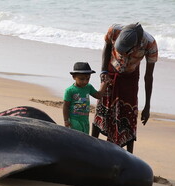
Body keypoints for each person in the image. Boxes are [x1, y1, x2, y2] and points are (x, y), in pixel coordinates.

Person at [92, 23, 158, 153]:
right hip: (111, 71)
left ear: (136, 45)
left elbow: (148, 76)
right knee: (102, 108)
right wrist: (103, 71)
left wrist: (147, 106)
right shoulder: (114, 30)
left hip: (130, 77)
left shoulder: (150, 44)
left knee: (128, 113)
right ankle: (92, 146)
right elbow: (107, 46)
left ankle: (128, 155)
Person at [63, 62, 106, 134]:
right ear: (74, 77)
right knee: (76, 139)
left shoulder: (88, 87)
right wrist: (66, 121)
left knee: (85, 140)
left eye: (88, 78)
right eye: (82, 79)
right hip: (74, 120)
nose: (85, 81)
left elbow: (98, 95)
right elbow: (65, 106)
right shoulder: (70, 90)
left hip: (85, 120)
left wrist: (104, 84)